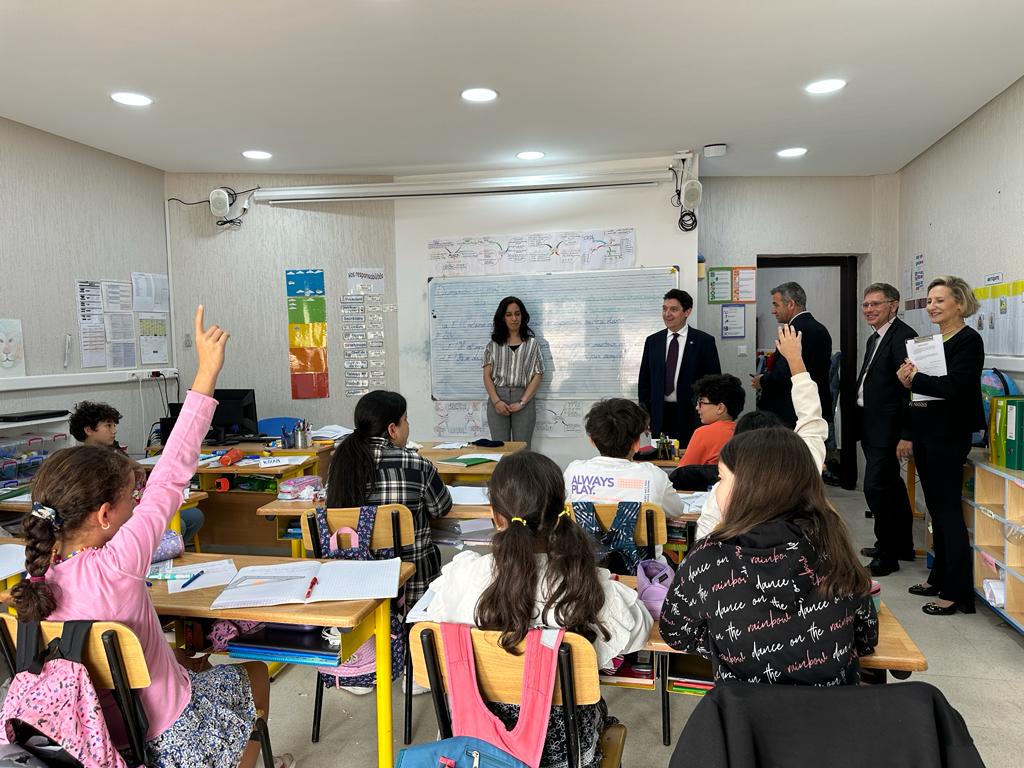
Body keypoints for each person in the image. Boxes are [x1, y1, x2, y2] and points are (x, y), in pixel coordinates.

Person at [8, 307, 290, 768]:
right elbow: (171, 475)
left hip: (92, 741)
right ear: (104, 515)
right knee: (255, 673)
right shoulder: (117, 562)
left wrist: (173, 662)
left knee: (189, 663)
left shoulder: (34, 577)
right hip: (167, 733)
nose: (140, 502)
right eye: (132, 498)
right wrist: (206, 372)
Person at [425, 451, 652, 768]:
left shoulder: (463, 576)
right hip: (566, 754)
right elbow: (639, 632)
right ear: (562, 513)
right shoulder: (587, 584)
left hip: (474, 749)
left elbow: (433, 627)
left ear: (496, 517)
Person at [659, 427, 879, 685]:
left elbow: (675, 633)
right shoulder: (834, 547)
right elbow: (866, 637)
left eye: (721, 478)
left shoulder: (707, 558)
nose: (716, 489)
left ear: (747, 488)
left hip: (742, 709)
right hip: (830, 709)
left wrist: (729, 643)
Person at [898, 276, 985, 616]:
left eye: (939, 300)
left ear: (959, 304)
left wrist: (915, 379)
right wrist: (908, 381)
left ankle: (956, 592)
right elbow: (921, 392)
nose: (931, 306)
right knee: (936, 509)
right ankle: (939, 576)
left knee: (948, 512)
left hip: (949, 436)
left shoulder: (968, 341)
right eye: (929, 301)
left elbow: (954, 387)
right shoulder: (932, 342)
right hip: (927, 431)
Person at [695, 326, 828, 539]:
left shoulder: (727, 488)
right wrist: (795, 358)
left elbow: (703, 540)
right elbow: (811, 418)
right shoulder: (804, 468)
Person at [326, 390, 452, 606]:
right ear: (392, 429)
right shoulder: (417, 465)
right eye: (406, 420)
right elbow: (441, 508)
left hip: (354, 588)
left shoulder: (341, 465)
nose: (408, 426)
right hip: (410, 588)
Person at [70, 399, 205, 547]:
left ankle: (166, 551)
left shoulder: (113, 452)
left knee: (194, 516)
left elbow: (136, 471)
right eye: (108, 425)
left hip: (135, 507)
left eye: (114, 425)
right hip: (117, 515)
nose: (114, 430)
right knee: (179, 526)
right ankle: (153, 553)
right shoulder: (86, 463)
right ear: (88, 430)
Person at [854, 283, 918, 577]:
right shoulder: (876, 337)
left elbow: (910, 390)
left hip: (889, 427)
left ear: (893, 305)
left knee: (876, 487)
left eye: (875, 304)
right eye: (866, 305)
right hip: (871, 423)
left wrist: (906, 433)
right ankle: (900, 545)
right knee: (891, 486)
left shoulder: (903, 336)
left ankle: (887, 556)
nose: (869, 310)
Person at [563, 398, 684, 518]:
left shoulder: (573, 472)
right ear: (636, 444)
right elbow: (677, 511)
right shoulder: (654, 477)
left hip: (583, 532)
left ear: (592, 440)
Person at [638, 289, 721, 445]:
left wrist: (709, 413)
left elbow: (714, 382)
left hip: (692, 415)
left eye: (673, 309)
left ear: (687, 312)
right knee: (661, 456)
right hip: (660, 415)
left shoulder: (704, 341)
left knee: (690, 456)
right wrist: (645, 413)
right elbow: (645, 381)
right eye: (664, 309)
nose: (667, 314)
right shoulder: (653, 341)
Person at [753, 282, 832, 429]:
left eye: (776, 305)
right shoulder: (820, 328)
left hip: (790, 411)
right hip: (813, 407)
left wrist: (762, 380)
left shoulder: (792, 331)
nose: (773, 311)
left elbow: (784, 374)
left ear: (790, 304)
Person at [483, 296, 544, 447]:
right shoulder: (493, 345)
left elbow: (538, 374)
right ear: (502, 318)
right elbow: (487, 377)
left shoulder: (532, 344)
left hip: (524, 396)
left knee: (522, 448)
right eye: (508, 314)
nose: (514, 318)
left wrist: (522, 402)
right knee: (499, 448)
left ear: (523, 316)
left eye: (517, 314)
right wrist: (496, 401)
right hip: (498, 397)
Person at [669, 374, 745, 491]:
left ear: (720, 408)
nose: (697, 408)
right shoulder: (745, 431)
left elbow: (682, 473)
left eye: (701, 403)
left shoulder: (703, 433)